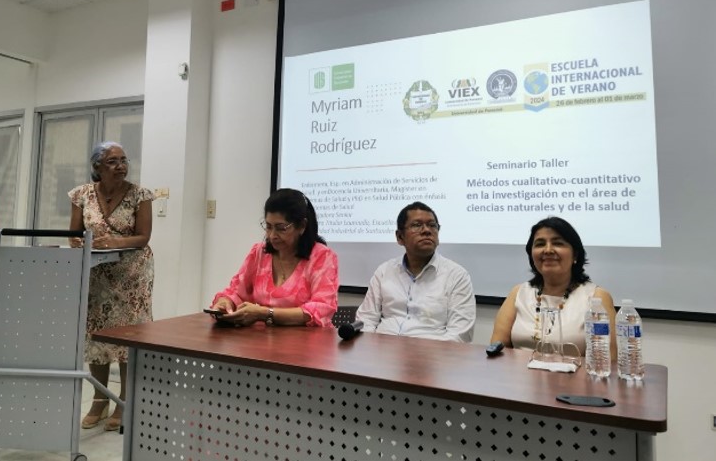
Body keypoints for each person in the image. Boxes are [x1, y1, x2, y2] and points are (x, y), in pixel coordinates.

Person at [68, 141, 154, 432]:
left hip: (131, 275)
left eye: (124, 160)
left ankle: (124, 402)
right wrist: (79, 241)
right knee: (97, 337)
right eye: (113, 161)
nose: (121, 166)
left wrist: (116, 241)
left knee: (129, 338)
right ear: (97, 167)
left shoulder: (140, 195)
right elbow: (73, 233)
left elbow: (143, 237)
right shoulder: (81, 194)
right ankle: (99, 400)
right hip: (96, 274)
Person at [210, 188, 338, 327]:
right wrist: (225, 303)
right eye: (268, 227)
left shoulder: (322, 257)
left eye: (281, 228)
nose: (272, 236)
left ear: (302, 226)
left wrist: (265, 313)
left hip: (307, 344)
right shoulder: (259, 253)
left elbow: (321, 310)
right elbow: (236, 292)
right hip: (261, 342)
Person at [490, 216, 617, 356]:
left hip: (573, 376)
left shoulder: (596, 297)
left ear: (575, 254)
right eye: (540, 244)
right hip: (519, 376)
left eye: (558, 243)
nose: (548, 250)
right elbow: (496, 349)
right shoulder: (519, 292)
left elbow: (607, 361)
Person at [355, 202, 476, 342]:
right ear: (400, 237)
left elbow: (460, 334)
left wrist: (424, 358)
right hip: (382, 353)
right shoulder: (384, 271)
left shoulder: (456, 276)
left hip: (431, 357)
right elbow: (366, 320)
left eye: (432, 225)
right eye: (417, 225)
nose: (427, 230)